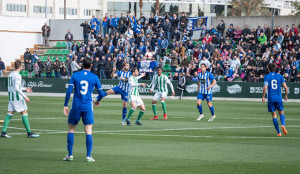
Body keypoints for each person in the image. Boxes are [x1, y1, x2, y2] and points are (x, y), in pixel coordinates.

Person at [63, 58, 107, 162]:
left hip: (76, 106)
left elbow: (69, 92)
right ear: (91, 66)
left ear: (82, 65)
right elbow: (101, 94)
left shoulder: (75, 75)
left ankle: (70, 155)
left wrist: (65, 105)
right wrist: (98, 100)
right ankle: (88, 156)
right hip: (87, 107)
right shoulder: (95, 77)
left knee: (71, 129)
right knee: (88, 131)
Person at [1, 59, 39, 138]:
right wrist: (25, 96)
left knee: (9, 114)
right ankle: (29, 133)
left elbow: (15, 87)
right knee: (24, 113)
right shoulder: (18, 75)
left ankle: (3, 132)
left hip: (11, 97)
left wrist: (25, 88)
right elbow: (17, 88)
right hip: (17, 98)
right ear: (20, 66)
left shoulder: (11, 74)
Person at [262, 63, 288, 137]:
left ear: (269, 69)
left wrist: (263, 97)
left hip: (271, 98)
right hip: (279, 98)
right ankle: (283, 125)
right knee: (281, 113)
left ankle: (279, 132)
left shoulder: (266, 76)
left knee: (274, 115)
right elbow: (285, 87)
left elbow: (265, 87)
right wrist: (286, 95)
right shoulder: (280, 76)